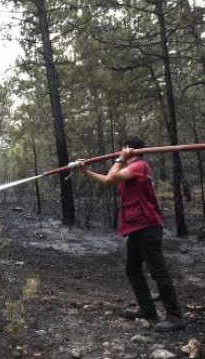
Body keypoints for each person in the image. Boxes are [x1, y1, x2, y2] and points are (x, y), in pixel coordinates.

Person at [78, 136, 185, 332]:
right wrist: (87, 172)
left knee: (158, 271)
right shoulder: (130, 169)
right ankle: (148, 309)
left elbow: (111, 177)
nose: (121, 152)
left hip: (147, 227)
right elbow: (108, 182)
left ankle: (175, 316)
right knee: (133, 269)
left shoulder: (140, 166)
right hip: (136, 227)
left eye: (123, 149)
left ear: (129, 150)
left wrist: (119, 158)